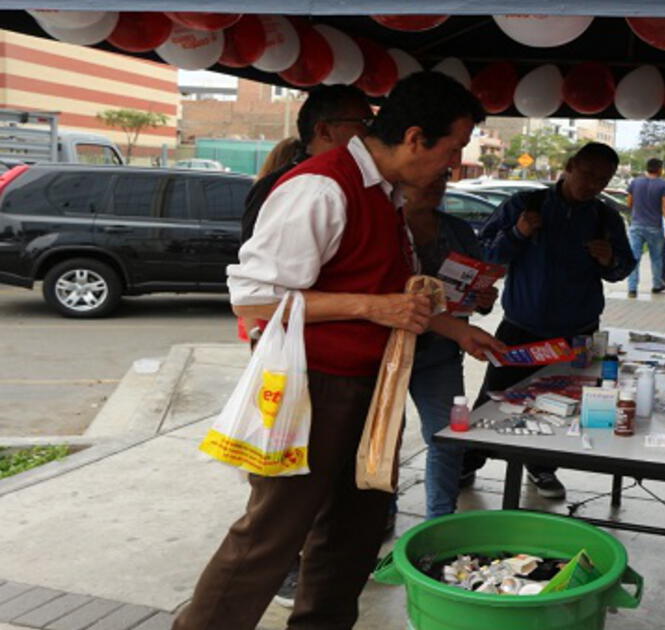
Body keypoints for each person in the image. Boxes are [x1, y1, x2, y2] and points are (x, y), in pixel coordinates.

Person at [173, 72, 502, 630]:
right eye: (452, 151)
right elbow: (253, 299)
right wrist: (375, 309)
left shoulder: (386, 195)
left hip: (373, 385)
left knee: (354, 529)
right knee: (274, 533)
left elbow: (387, 287)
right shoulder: (322, 186)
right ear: (416, 137)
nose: (452, 166)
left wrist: (450, 327)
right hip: (313, 386)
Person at [460, 143, 635, 500]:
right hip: (520, 327)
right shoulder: (525, 204)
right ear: (570, 166)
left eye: (603, 180)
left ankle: (541, 467)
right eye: (588, 175)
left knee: (558, 406)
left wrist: (610, 258)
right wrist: (518, 233)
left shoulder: (605, 218)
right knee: (493, 399)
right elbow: (485, 255)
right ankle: (467, 460)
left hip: (577, 333)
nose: (593, 186)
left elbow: (622, 270)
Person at [238, 86, 374, 349]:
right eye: (363, 123)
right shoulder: (296, 185)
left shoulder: (358, 183)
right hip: (298, 352)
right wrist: (258, 335)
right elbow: (256, 280)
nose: (371, 133)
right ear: (324, 131)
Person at [403, 176, 498, 519]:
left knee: (447, 436)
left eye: (441, 178)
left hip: (441, 350)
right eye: (426, 176)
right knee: (382, 438)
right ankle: (377, 514)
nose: (433, 184)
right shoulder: (385, 225)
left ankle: (440, 519)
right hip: (384, 352)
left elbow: (479, 292)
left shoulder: (457, 231)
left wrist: (485, 298)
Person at [625, 158, 665, 297]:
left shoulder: (635, 182)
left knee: (635, 256)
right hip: (654, 226)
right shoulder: (664, 184)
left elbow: (629, 203)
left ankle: (632, 288)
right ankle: (657, 285)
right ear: (659, 169)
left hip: (636, 225)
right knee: (656, 257)